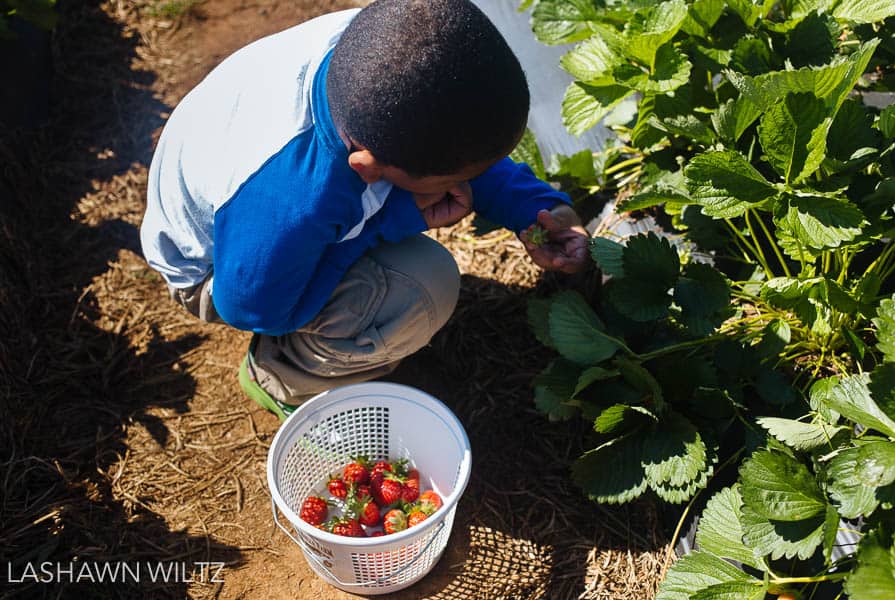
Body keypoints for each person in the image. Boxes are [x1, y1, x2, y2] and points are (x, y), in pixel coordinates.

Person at [140, 0, 590, 420]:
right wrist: (388, 224)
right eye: (451, 182)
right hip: (221, 269)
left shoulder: (386, 53)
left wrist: (538, 207)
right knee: (425, 285)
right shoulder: (295, 197)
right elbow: (252, 308)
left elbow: (461, 147)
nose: (459, 186)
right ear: (368, 168)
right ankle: (287, 377)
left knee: (429, 166)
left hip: (257, 215)